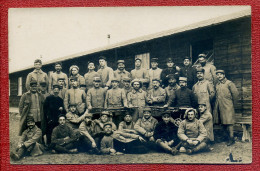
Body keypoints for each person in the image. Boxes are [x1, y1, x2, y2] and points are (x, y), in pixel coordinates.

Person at [213, 70, 239, 146]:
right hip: (219, 105)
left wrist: (232, 104)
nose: (219, 76)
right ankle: (225, 137)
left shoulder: (229, 83)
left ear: (224, 75)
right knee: (222, 122)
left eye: (221, 74)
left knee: (229, 122)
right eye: (217, 75)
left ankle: (231, 138)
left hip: (228, 105)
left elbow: (235, 94)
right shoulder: (217, 84)